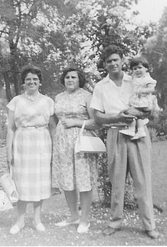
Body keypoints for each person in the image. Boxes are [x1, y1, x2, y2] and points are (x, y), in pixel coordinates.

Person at [90, 45, 159, 239]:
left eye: (116, 59)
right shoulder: (100, 86)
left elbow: (149, 108)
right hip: (115, 134)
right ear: (105, 64)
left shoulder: (135, 80)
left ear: (122, 61)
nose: (113, 63)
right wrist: (115, 117)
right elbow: (97, 117)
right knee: (117, 182)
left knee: (143, 182)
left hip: (139, 134)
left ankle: (149, 225)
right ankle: (115, 221)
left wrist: (137, 113)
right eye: (109, 61)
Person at [6, 66, 56, 235]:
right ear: (23, 82)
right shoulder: (16, 101)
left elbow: (53, 127)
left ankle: (37, 220)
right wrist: (9, 151)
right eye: (28, 79)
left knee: (38, 183)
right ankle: (19, 221)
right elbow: (11, 128)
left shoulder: (48, 101)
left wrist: (55, 149)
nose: (32, 82)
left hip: (42, 143)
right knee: (21, 183)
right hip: (22, 144)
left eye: (35, 79)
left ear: (40, 82)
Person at [52, 67, 98, 234]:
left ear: (80, 80)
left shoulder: (87, 96)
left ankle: (85, 219)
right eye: (67, 77)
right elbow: (55, 121)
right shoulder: (58, 97)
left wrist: (75, 123)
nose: (70, 80)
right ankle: (73, 215)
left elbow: (96, 121)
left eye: (73, 77)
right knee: (67, 179)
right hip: (62, 142)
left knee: (84, 180)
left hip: (81, 141)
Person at [120, 56, 160, 140]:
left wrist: (142, 90)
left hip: (144, 101)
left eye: (140, 67)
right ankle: (139, 131)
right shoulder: (135, 78)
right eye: (135, 69)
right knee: (136, 115)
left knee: (132, 112)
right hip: (138, 100)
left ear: (146, 68)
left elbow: (152, 89)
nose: (137, 70)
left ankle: (132, 129)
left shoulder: (147, 78)